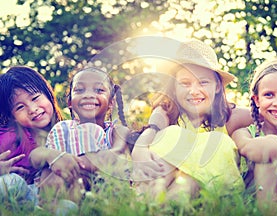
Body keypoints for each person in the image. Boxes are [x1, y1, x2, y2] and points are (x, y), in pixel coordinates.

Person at [131, 39, 254, 201]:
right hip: (164, 179)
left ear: (217, 86)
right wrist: (139, 149)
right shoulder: (167, 110)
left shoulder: (230, 116)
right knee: (171, 134)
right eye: (185, 83)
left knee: (220, 144)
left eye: (203, 82)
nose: (194, 91)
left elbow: (268, 113)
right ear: (174, 87)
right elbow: (152, 129)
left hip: (203, 188)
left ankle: (166, 205)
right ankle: (151, 200)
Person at [39, 67, 131, 203]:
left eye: (99, 90)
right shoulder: (62, 130)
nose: (88, 95)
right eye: (79, 90)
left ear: (111, 102)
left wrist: (74, 164)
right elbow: (51, 166)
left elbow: (115, 154)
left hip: (104, 194)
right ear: (70, 102)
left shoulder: (116, 131)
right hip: (65, 191)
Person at [0, 66, 81, 206]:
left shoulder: (69, 130)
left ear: (48, 94)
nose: (32, 109)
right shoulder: (10, 137)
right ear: (13, 117)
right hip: (19, 194)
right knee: (10, 182)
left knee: (67, 207)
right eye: (20, 107)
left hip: (50, 200)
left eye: (35, 98)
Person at [232, 59, 277, 209]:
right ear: (257, 100)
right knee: (267, 148)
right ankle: (271, 210)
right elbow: (254, 149)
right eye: (269, 95)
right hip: (257, 197)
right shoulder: (243, 133)